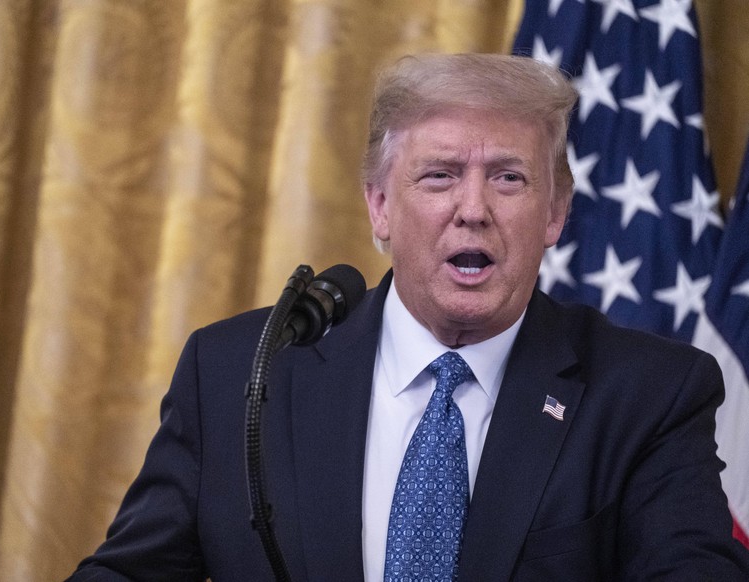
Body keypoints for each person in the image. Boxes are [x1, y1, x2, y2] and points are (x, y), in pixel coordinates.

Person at [67, 53, 749, 581]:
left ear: (554, 213)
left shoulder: (649, 393)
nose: (473, 208)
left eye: (508, 177)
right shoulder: (237, 373)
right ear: (379, 208)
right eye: (439, 175)